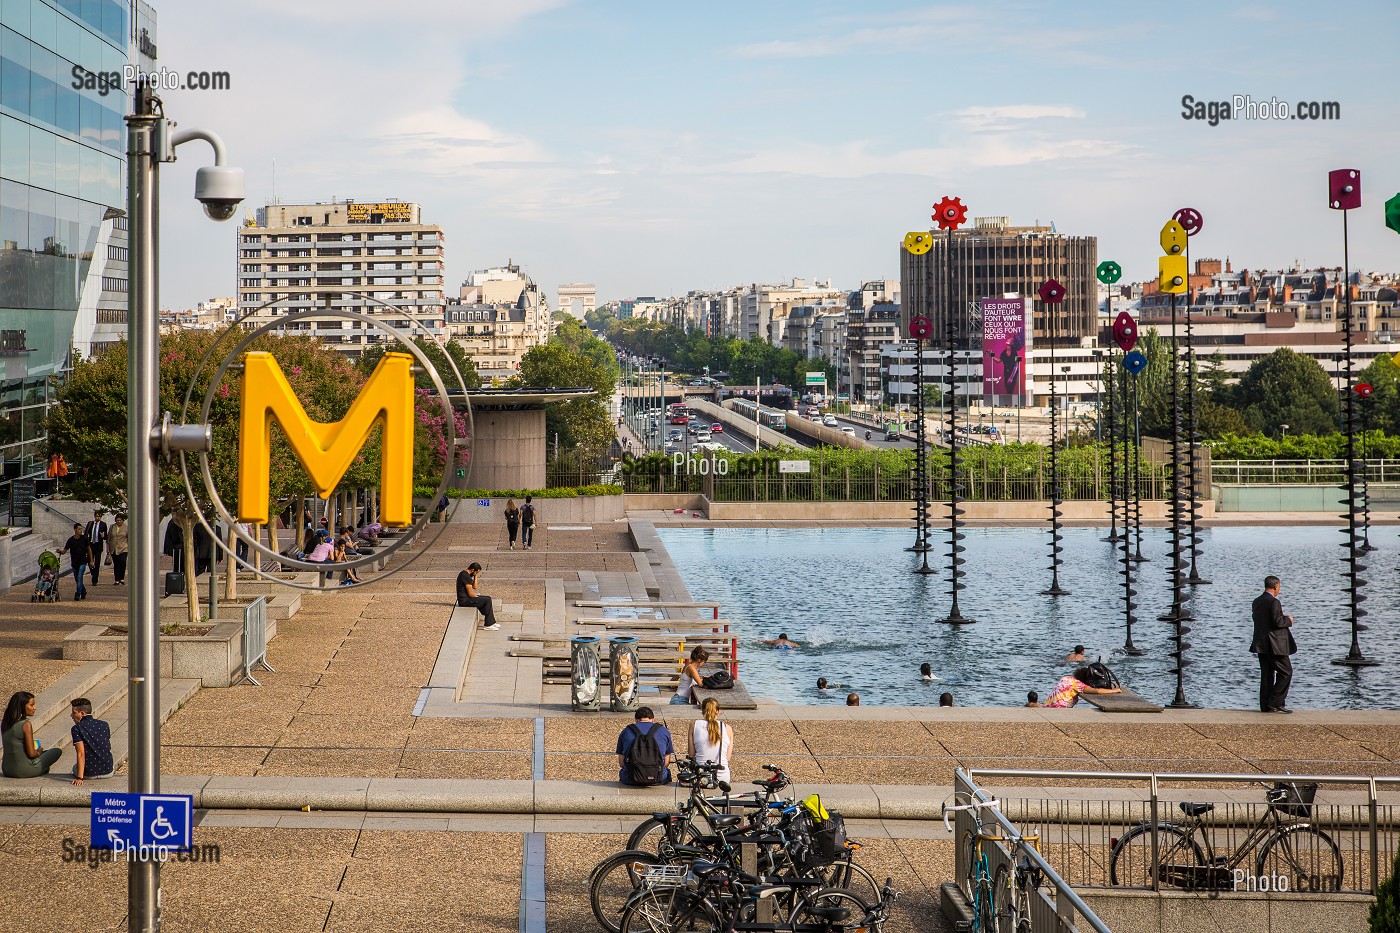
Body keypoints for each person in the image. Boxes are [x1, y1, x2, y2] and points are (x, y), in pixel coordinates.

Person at [1251, 574, 1297, 714]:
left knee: (1267, 674)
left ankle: (1265, 705)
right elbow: (1278, 622)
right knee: (1286, 672)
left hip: (1261, 644)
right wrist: (1288, 620)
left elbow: (1262, 619)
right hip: (1275, 646)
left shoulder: (1257, 601)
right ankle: (1275, 703)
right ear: (1276, 586)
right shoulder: (1274, 602)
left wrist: (1280, 616)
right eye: (1279, 587)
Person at [2, 692, 61, 778]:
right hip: (24, 770)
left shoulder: (5, 723)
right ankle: (40, 770)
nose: (34, 708)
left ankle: (42, 769)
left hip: (7, 769)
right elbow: (32, 754)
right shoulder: (26, 724)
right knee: (56, 751)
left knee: (44, 757)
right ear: (22, 706)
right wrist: (39, 751)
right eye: (31, 705)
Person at [616, 707, 675, 786]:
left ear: (636, 720)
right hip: (657, 778)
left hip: (630, 778)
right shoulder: (664, 731)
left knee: (624, 772)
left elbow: (621, 763)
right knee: (666, 772)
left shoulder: (626, 731)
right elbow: (666, 762)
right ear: (653, 720)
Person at [688, 697, 734, 786]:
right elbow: (727, 758)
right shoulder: (727, 728)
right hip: (722, 777)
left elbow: (691, 754)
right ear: (718, 711)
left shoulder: (694, 725)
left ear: (702, 710)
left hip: (701, 775)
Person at [68, 698, 113, 786]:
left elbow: (81, 753)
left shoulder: (77, 728)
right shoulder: (104, 724)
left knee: (74, 767)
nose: (71, 715)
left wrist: (79, 778)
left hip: (89, 773)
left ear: (82, 713)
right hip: (108, 771)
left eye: (74, 713)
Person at [1043, 668, 1122, 708]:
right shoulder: (1078, 685)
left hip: (1048, 707)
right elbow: (1097, 691)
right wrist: (1113, 690)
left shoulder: (1066, 678)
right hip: (1059, 709)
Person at [456, 562, 499, 630]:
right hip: (464, 600)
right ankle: (488, 625)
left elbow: (475, 587)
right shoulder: (465, 576)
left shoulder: (465, 574)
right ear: (473, 570)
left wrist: (476, 576)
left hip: (465, 598)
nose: (476, 574)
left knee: (487, 598)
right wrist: (477, 597)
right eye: (476, 572)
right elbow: (470, 593)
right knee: (487, 600)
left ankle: (491, 622)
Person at [58, 523, 91, 601]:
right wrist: (60, 551)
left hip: (82, 561)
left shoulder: (84, 539)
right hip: (74, 562)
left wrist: (91, 560)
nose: (80, 531)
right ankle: (83, 591)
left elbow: (89, 549)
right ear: (75, 529)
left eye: (81, 529)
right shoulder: (71, 540)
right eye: (79, 529)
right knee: (77, 579)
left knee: (80, 577)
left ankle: (78, 593)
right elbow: (65, 550)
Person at [83, 510, 107, 586]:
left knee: (97, 562)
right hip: (90, 545)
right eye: (97, 516)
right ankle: (93, 572)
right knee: (89, 560)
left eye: (99, 516)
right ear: (94, 516)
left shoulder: (103, 525)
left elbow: (106, 536)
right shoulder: (90, 524)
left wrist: (103, 536)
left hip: (98, 545)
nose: (98, 518)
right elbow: (86, 534)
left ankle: (94, 580)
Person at [108, 515, 129, 585]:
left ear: (123, 520)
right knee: (116, 564)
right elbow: (109, 538)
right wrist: (108, 548)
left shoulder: (126, 527)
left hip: (123, 548)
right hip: (114, 548)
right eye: (117, 520)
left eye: (120, 520)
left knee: (122, 562)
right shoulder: (112, 527)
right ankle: (116, 579)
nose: (119, 522)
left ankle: (121, 578)